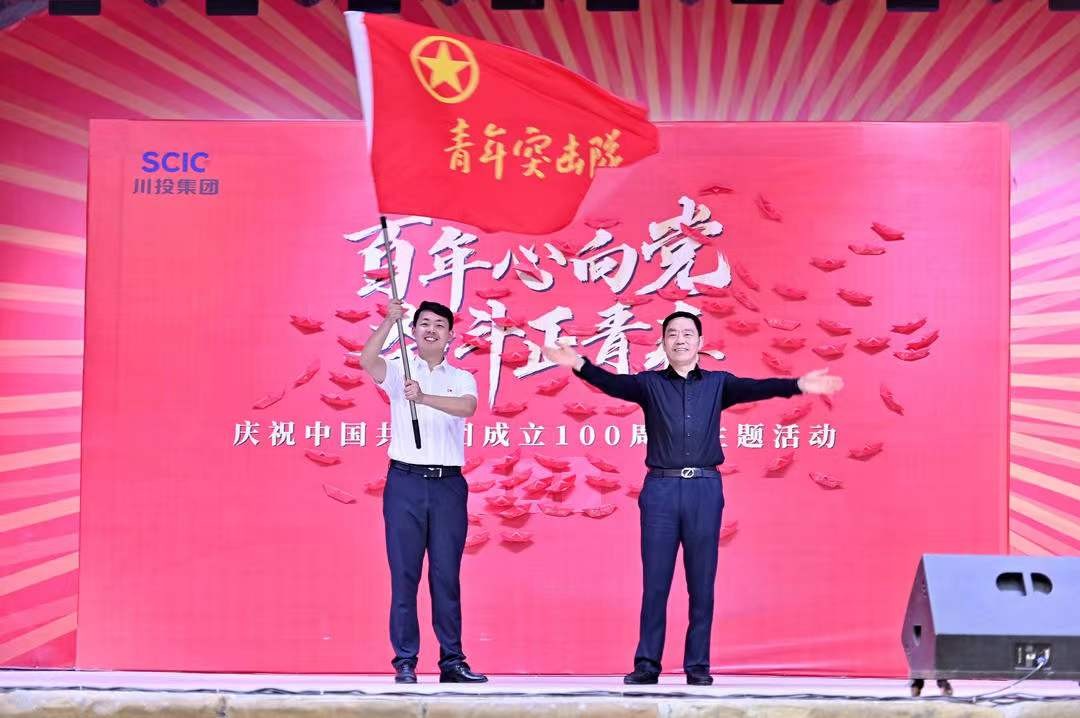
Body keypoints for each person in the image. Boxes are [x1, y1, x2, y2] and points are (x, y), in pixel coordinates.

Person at [543, 311, 843, 685]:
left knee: (702, 582)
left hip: (704, 488)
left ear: (700, 343)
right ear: (663, 343)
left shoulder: (719, 384)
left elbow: (756, 387)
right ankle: (647, 664)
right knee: (656, 582)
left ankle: (698, 665)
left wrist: (797, 384)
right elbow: (612, 383)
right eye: (672, 334)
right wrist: (580, 364)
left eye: (688, 333)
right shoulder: (649, 384)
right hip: (661, 491)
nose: (680, 340)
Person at [359, 298, 487, 684]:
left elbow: (467, 407)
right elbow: (367, 360)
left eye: (439, 325)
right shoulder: (399, 370)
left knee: (446, 577)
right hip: (405, 483)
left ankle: (452, 661)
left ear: (450, 336)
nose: (431, 330)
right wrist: (388, 321)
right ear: (413, 331)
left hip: (448, 485)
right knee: (405, 576)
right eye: (424, 323)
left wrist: (423, 397)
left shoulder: (461, 377)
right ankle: (405, 661)